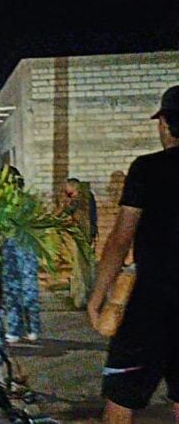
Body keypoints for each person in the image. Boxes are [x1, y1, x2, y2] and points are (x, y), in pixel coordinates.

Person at [87, 85, 179, 424]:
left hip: (148, 308)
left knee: (121, 401)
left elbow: (120, 240)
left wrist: (97, 299)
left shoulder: (146, 168)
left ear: (165, 124)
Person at [0, 167, 41, 344]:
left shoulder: (27, 202)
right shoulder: (1, 203)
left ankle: (31, 328)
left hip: (25, 249)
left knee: (27, 289)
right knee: (12, 290)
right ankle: (16, 329)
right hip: (10, 249)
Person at [62, 178, 98, 245]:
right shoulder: (70, 199)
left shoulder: (82, 199)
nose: (65, 188)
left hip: (83, 230)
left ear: (73, 187)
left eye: (67, 186)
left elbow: (92, 215)